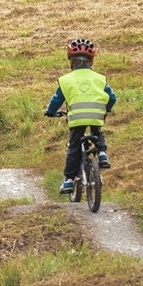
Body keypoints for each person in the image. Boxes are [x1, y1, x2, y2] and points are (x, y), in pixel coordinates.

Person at [44, 37, 116, 193]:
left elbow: (56, 101)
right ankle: (102, 153)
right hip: (97, 113)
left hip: (77, 118)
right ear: (91, 62)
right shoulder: (100, 78)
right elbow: (112, 97)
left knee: (74, 147)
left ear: (71, 61)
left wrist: (50, 112)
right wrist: (107, 108)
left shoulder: (66, 80)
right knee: (97, 132)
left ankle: (69, 180)